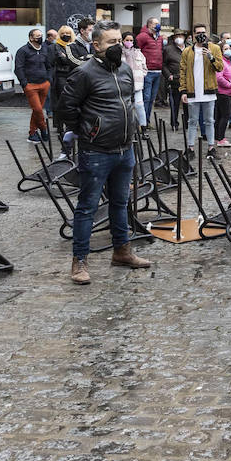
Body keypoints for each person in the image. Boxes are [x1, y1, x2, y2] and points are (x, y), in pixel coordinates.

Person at [57, 22, 151, 284]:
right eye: (111, 42)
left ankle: (122, 251)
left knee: (121, 203)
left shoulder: (124, 69)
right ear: (96, 45)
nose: (118, 45)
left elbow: (129, 101)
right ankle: (79, 262)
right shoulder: (84, 73)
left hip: (124, 149)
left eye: (119, 40)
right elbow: (66, 109)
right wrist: (87, 131)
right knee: (87, 207)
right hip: (96, 151)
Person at [177, 25, 222, 153]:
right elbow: (183, 71)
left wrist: (211, 57)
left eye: (203, 32)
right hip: (193, 91)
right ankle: (190, 147)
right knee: (192, 121)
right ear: (194, 35)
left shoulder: (215, 48)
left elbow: (220, 67)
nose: (201, 35)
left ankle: (211, 146)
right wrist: (183, 91)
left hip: (208, 91)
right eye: (198, 33)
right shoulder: (187, 51)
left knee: (209, 120)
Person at [14, 28, 53, 144]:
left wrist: (49, 79)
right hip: (31, 85)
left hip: (44, 84)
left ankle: (32, 133)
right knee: (38, 109)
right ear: (31, 38)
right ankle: (44, 129)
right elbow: (18, 68)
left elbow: (49, 65)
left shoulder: (44, 49)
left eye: (41, 35)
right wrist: (24, 83)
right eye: (37, 36)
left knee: (37, 111)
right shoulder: (23, 51)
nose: (40, 38)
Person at [134, 17, 165, 128]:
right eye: (156, 23)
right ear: (150, 24)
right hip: (148, 71)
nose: (158, 25)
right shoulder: (142, 36)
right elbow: (136, 51)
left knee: (152, 98)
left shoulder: (160, 37)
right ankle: (142, 122)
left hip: (157, 71)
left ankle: (147, 120)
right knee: (145, 98)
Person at [120, 32, 148, 128]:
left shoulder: (138, 53)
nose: (129, 42)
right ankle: (129, 127)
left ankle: (143, 126)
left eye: (131, 40)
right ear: (122, 41)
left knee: (139, 106)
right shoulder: (120, 53)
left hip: (137, 85)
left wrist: (141, 76)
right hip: (124, 85)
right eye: (127, 40)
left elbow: (144, 67)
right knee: (126, 107)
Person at [162, 30, 187, 131]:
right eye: (177, 36)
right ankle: (174, 123)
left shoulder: (189, 48)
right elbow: (163, 65)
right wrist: (168, 75)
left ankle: (187, 123)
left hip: (187, 81)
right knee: (174, 104)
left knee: (187, 104)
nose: (179, 37)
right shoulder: (168, 49)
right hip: (174, 81)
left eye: (181, 35)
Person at [213, 48, 231, 146]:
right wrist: (230, 85)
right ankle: (221, 138)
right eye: (226, 48)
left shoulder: (227, 62)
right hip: (224, 93)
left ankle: (217, 137)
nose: (229, 50)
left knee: (220, 116)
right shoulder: (222, 62)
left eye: (229, 48)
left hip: (227, 93)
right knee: (225, 116)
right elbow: (219, 77)